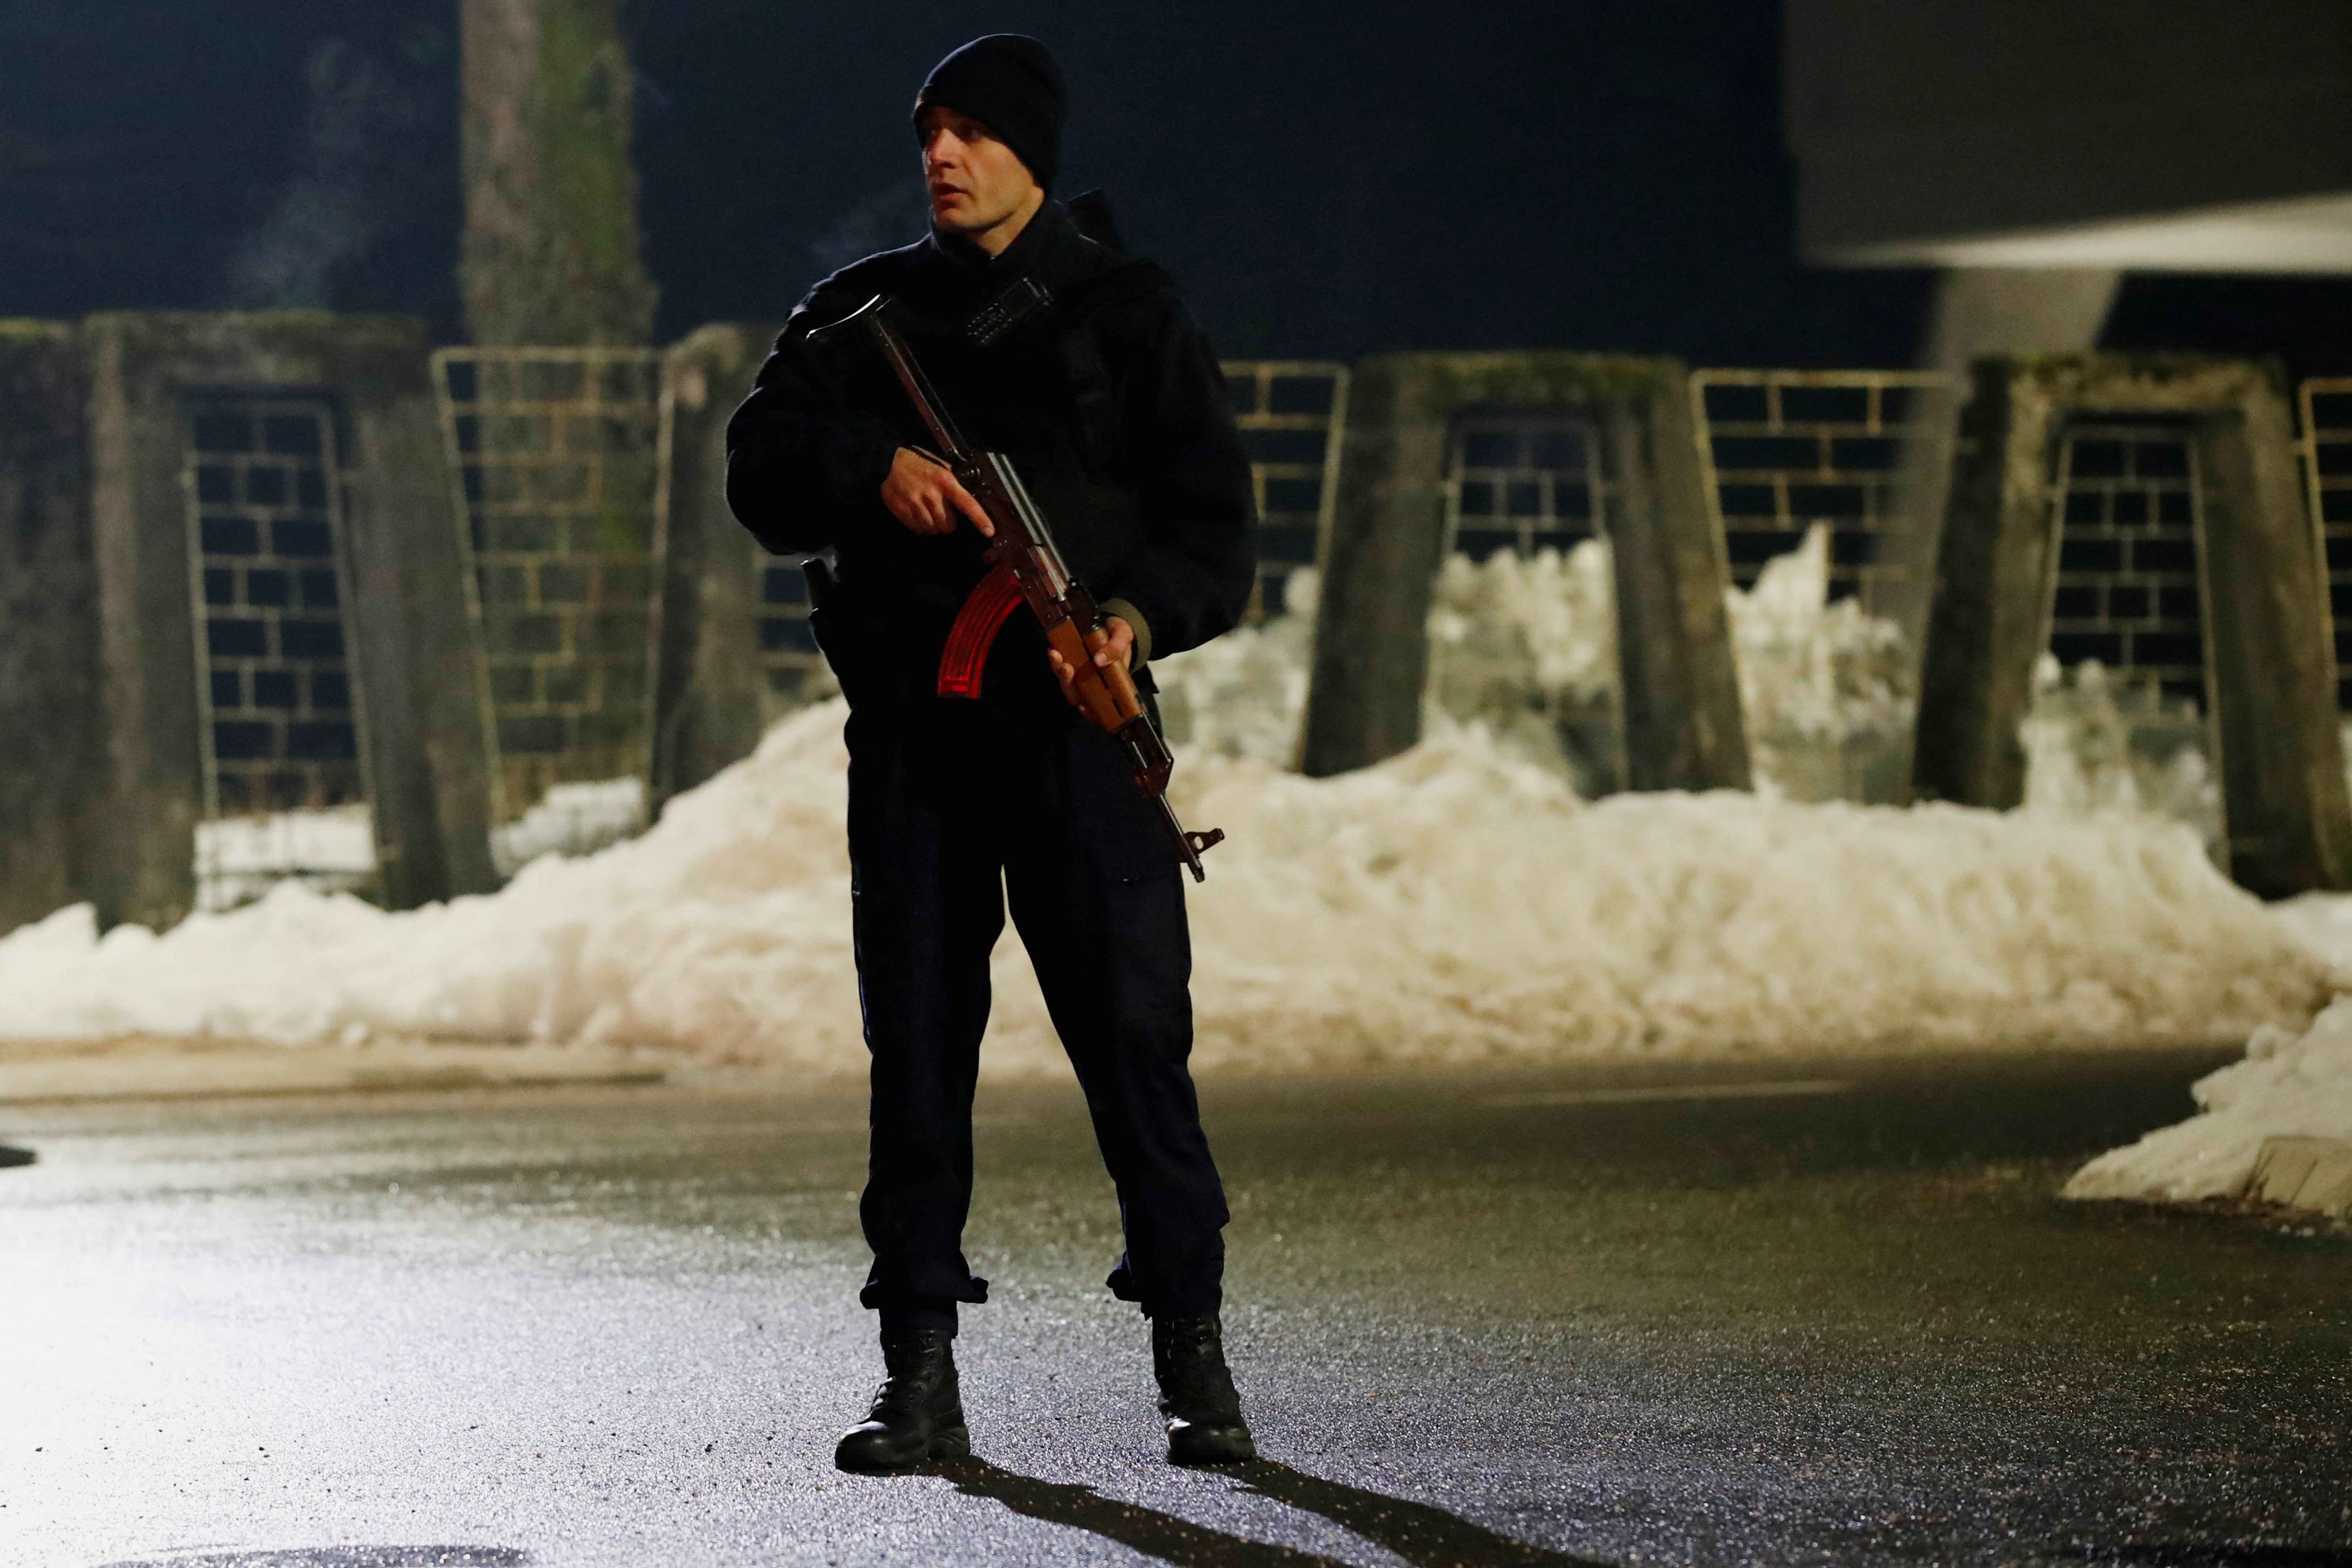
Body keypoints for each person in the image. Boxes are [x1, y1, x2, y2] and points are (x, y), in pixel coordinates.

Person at [725, 34, 1260, 1472]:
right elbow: (757, 460)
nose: (942, 157)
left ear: (1036, 153)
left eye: (973, 134)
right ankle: (917, 1373)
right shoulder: (862, 319)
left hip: (1074, 745)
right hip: (918, 746)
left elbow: (1217, 535)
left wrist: (1134, 620)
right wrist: (868, 466)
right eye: (930, 132)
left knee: (1135, 1047)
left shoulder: (1124, 313)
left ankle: (1193, 1364)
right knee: (912, 1054)